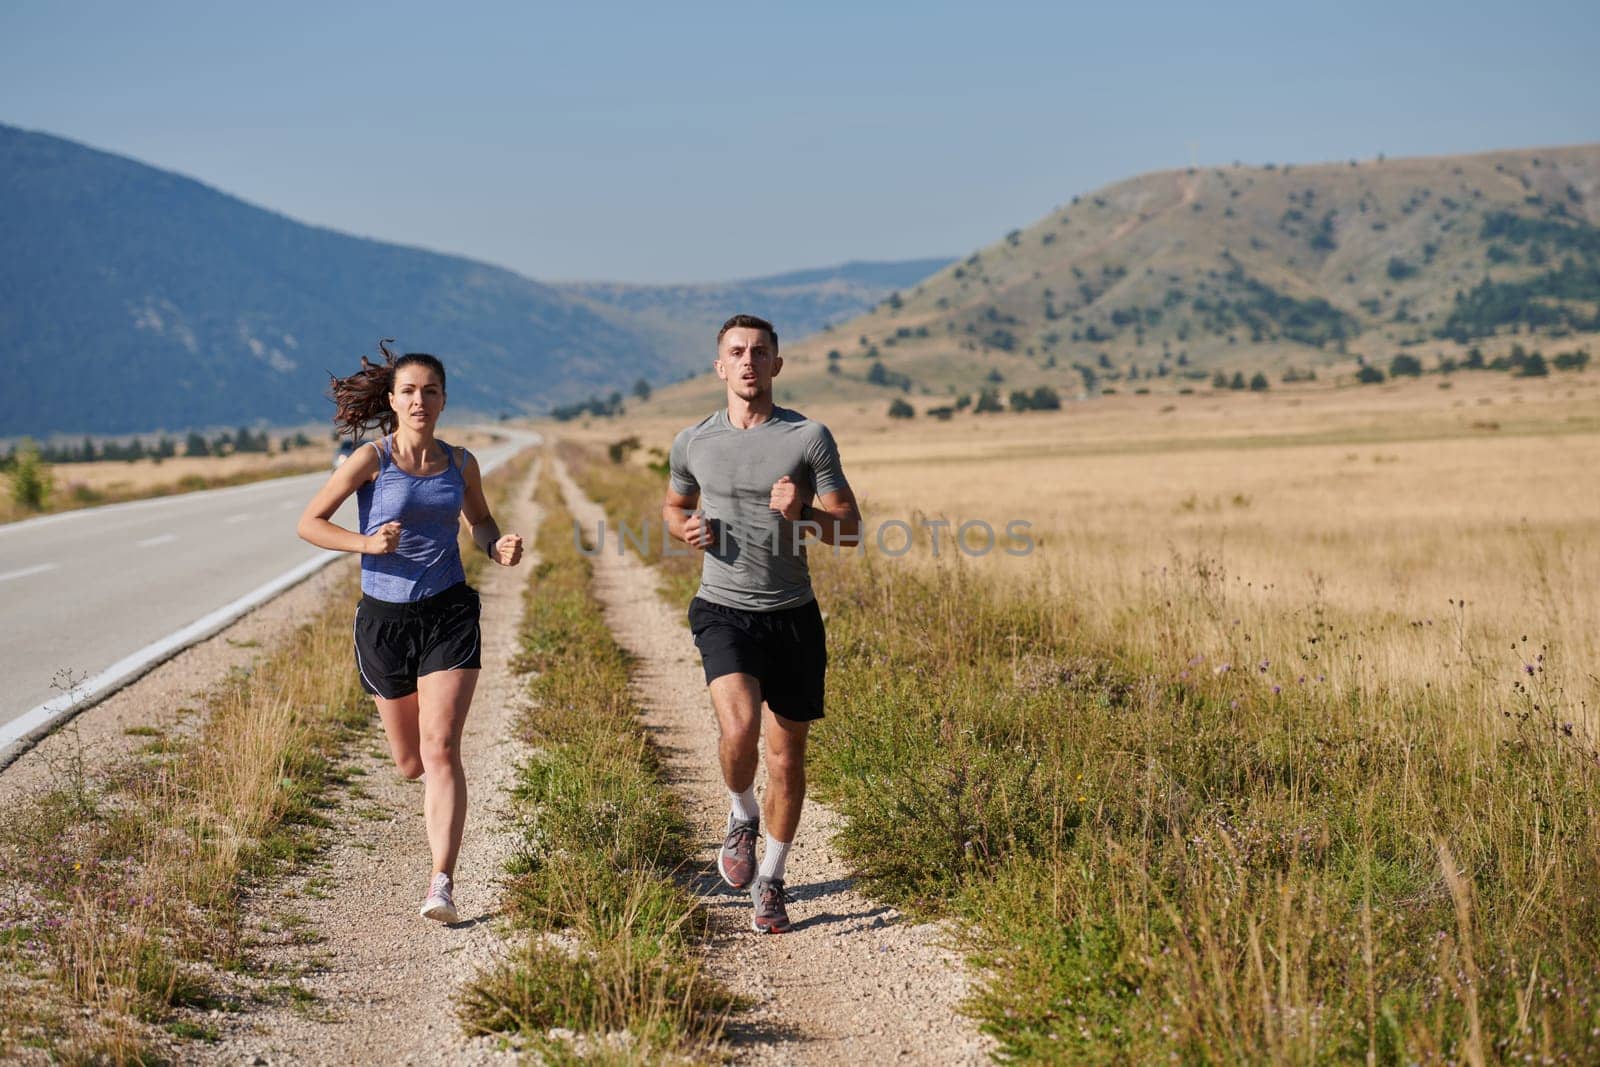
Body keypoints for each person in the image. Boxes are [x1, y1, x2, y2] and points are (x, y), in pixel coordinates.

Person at [297, 342, 523, 924]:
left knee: (442, 747)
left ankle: (441, 883)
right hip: (384, 620)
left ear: (443, 400)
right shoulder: (371, 459)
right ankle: (435, 834)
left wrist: (496, 546)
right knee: (410, 762)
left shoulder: (461, 463)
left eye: (430, 391)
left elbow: (480, 523)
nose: (420, 400)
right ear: (393, 401)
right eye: (409, 391)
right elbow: (310, 523)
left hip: (448, 612)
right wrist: (367, 542)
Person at [663, 314, 861, 934]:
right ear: (719, 366)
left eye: (760, 352)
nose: (749, 361)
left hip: (793, 617)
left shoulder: (808, 437)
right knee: (741, 729)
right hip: (723, 608)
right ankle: (741, 813)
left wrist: (801, 510)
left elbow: (849, 528)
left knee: (788, 755)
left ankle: (772, 879)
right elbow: (674, 506)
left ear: (777, 365)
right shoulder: (693, 440)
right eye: (736, 352)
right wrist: (685, 529)